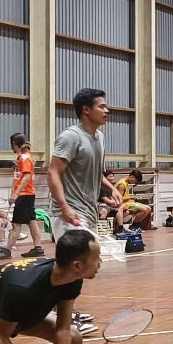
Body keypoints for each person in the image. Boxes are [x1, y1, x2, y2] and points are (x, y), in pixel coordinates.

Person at [48, 87, 120, 238]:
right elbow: (53, 172)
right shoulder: (71, 137)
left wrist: (111, 188)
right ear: (86, 110)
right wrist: (64, 207)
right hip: (69, 213)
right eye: (101, 107)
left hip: (90, 212)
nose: (107, 111)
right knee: (76, 260)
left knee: (91, 261)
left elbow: (94, 172)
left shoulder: (99, 137)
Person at [5, 132, 47, 258]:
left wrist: (16, 194)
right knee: (31, 221)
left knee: (16, 223)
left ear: (14, 143)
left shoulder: (24, 158)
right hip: (27, 194)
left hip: (24, 195)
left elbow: (27, 176)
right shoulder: (22, 158)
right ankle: (38, 247)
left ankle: (6, 250)